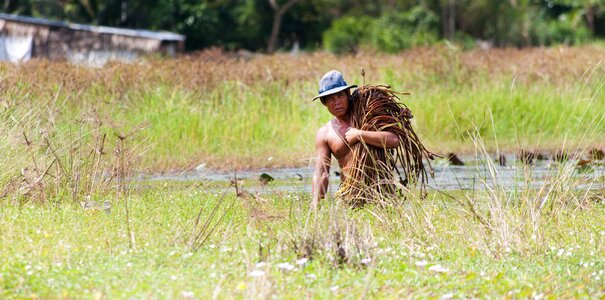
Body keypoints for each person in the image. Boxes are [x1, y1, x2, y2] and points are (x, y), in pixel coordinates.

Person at [311, 70, 400, 207]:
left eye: (340, 96)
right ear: (324, 103)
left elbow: (394, 140)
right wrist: (315, 207)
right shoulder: (325, 133)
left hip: (382, 194)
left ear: (348, 95)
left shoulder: (368, 119)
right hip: (350, 197)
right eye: (331, 99)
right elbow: (322, 172)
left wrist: (360, 134)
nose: (337, 103)